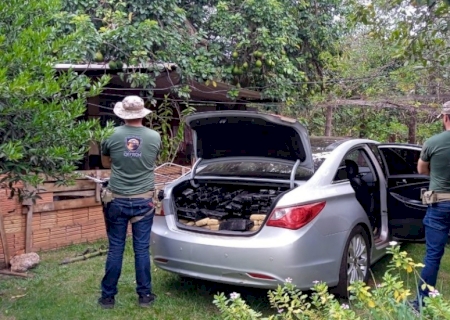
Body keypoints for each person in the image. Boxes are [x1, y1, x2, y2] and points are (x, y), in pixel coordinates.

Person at [98, 95, 161, 309]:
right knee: (141, 249)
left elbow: (107, 162)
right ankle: (145, 296)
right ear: (142, 113)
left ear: (122, 114)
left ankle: (107, 298)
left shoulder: (111, 135)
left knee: (116, 248)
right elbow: (150, 161)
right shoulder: (154, 137)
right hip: (144, 200)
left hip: (116, 199)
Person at [412, 101, 450, 311]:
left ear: (445, 117)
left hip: (439, 202)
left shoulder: (433, 142)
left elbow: (421, 170)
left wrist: (436, 174)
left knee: (433, 255)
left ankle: (421, 303)